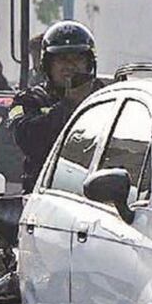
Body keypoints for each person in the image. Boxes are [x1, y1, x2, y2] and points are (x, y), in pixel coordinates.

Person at [9, 20, 105, 192]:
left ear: (89, 63)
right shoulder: (29, 100)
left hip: (97, 194)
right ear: (48, 65)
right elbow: (29, 142)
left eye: (77, 59)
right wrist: (68, 105)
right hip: (46, 195)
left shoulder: (107, 97)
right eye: (61, 59)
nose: (69, 66)